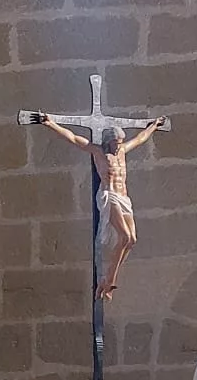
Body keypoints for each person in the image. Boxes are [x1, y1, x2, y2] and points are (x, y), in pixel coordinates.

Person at [35, 114, 164, 300]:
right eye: (116, 142)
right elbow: (72, 138)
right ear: (109, 141)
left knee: (132, 240)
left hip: (124, 198)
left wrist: (154, 126)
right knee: (125, 236)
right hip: (109, 195)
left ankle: (108, 279)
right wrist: (50, 123)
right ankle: (109, 280)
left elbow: (140, 139)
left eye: (121, 142)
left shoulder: (122, 151)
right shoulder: (99, 153)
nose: (119, 145)